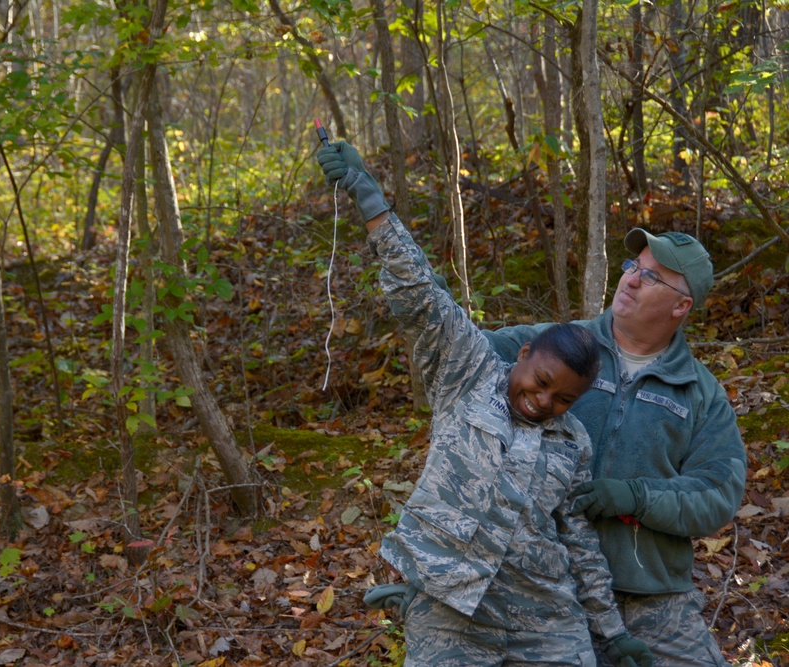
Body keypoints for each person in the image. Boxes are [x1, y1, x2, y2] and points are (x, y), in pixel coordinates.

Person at [316, 141, 654, 667]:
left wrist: (610, 631)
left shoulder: (573, 443)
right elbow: (421, 295)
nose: (543, 402)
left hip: (544, 614)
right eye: (539, 382)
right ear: (522, 355)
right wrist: (370, 199)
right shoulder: (468, 372)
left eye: (564, 399)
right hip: (450, 609)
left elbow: (579, 542)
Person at [481, 227, 746, 666]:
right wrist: (379, 218)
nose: (632, 279)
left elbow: (718, 495)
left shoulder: (700, 394)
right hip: (541, 584)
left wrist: (637, 497)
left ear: (682, 306)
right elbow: (458, 348)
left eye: (653, 277)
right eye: (634, 267)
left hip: (650, 596)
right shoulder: (557, 346)